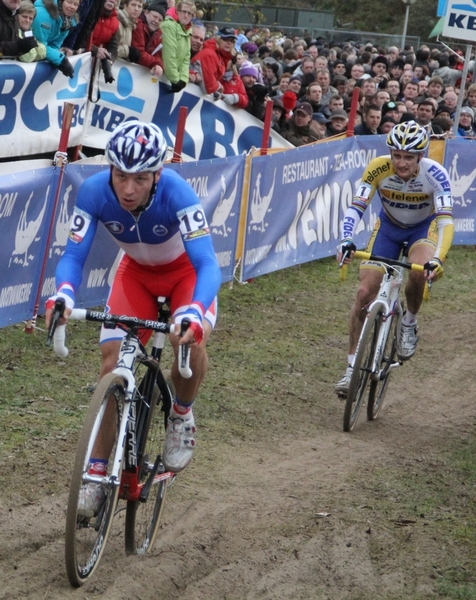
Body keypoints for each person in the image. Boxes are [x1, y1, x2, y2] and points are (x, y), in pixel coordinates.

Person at [45, 121, 221, 515]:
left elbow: (208, 263)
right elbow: (73, 256)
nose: (127, 189)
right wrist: (64, 293)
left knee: (187, 341)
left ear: (157, 174)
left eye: (139, 179)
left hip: (186, 276)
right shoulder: (94, 191)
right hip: (136, 275)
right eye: (120, 175)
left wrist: (193, 311)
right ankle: (95, 472)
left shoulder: (178, 192)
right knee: (112, 363)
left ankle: (180, 414)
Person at [335, 121, 454, 397]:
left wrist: (438, 259)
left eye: (408, 158)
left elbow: (446, 222)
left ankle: (409, 322)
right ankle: (351, 369)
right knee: (364, 292)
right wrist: (346, 237)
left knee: (417, 272)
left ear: (420, 157)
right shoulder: (378, 167)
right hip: (387, 229)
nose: (401, 163)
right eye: (396, 155)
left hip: (423, 229)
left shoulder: (435, 174)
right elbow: (357, 206)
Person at [31, 0, 79, 78]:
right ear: (61, 1)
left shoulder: (68, 21)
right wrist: (61, 60)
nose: (72, 7)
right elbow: (39, 45)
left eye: (76, 4)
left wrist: (57, 57)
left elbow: (55, 45)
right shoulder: (43, 15)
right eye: (69, 2)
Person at [160, 0, 195, 92]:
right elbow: (169, 54)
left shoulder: (188, 31)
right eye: (184, 11)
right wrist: (175, 79)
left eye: (189, 13)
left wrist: (183, 79)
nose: (186, 15)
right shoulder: (168, 25)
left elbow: (186, 58)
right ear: (177, 11)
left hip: (170, 78)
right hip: (161, 76)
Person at [131, 1, 165, 77]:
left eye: (160, 20)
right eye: (155, 17)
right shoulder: (138, 25)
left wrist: (159, 65)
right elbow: (140, 53)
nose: (156, 21)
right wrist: (155, 63)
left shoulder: (158, 34)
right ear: (146, 12)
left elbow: (157, 54)